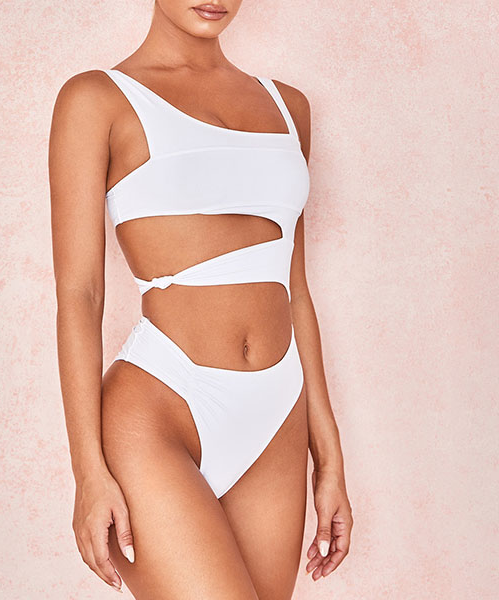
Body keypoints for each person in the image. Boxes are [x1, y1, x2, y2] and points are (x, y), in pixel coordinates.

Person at [48, 1, 353, 597]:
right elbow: (80, 296)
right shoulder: (98, 99)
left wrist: (330, 456)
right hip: (161, 408)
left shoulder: (289, 108)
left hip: (276, 417)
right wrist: (87, 472)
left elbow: (294, 289)